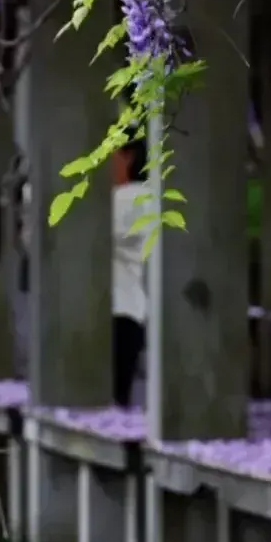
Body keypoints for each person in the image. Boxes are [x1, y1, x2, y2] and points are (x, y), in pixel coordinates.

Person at [112, 134, 148, 408]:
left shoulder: (127, 199)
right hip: (133, 309)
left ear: (127, 157)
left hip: (120, 312)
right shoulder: (148, 198)